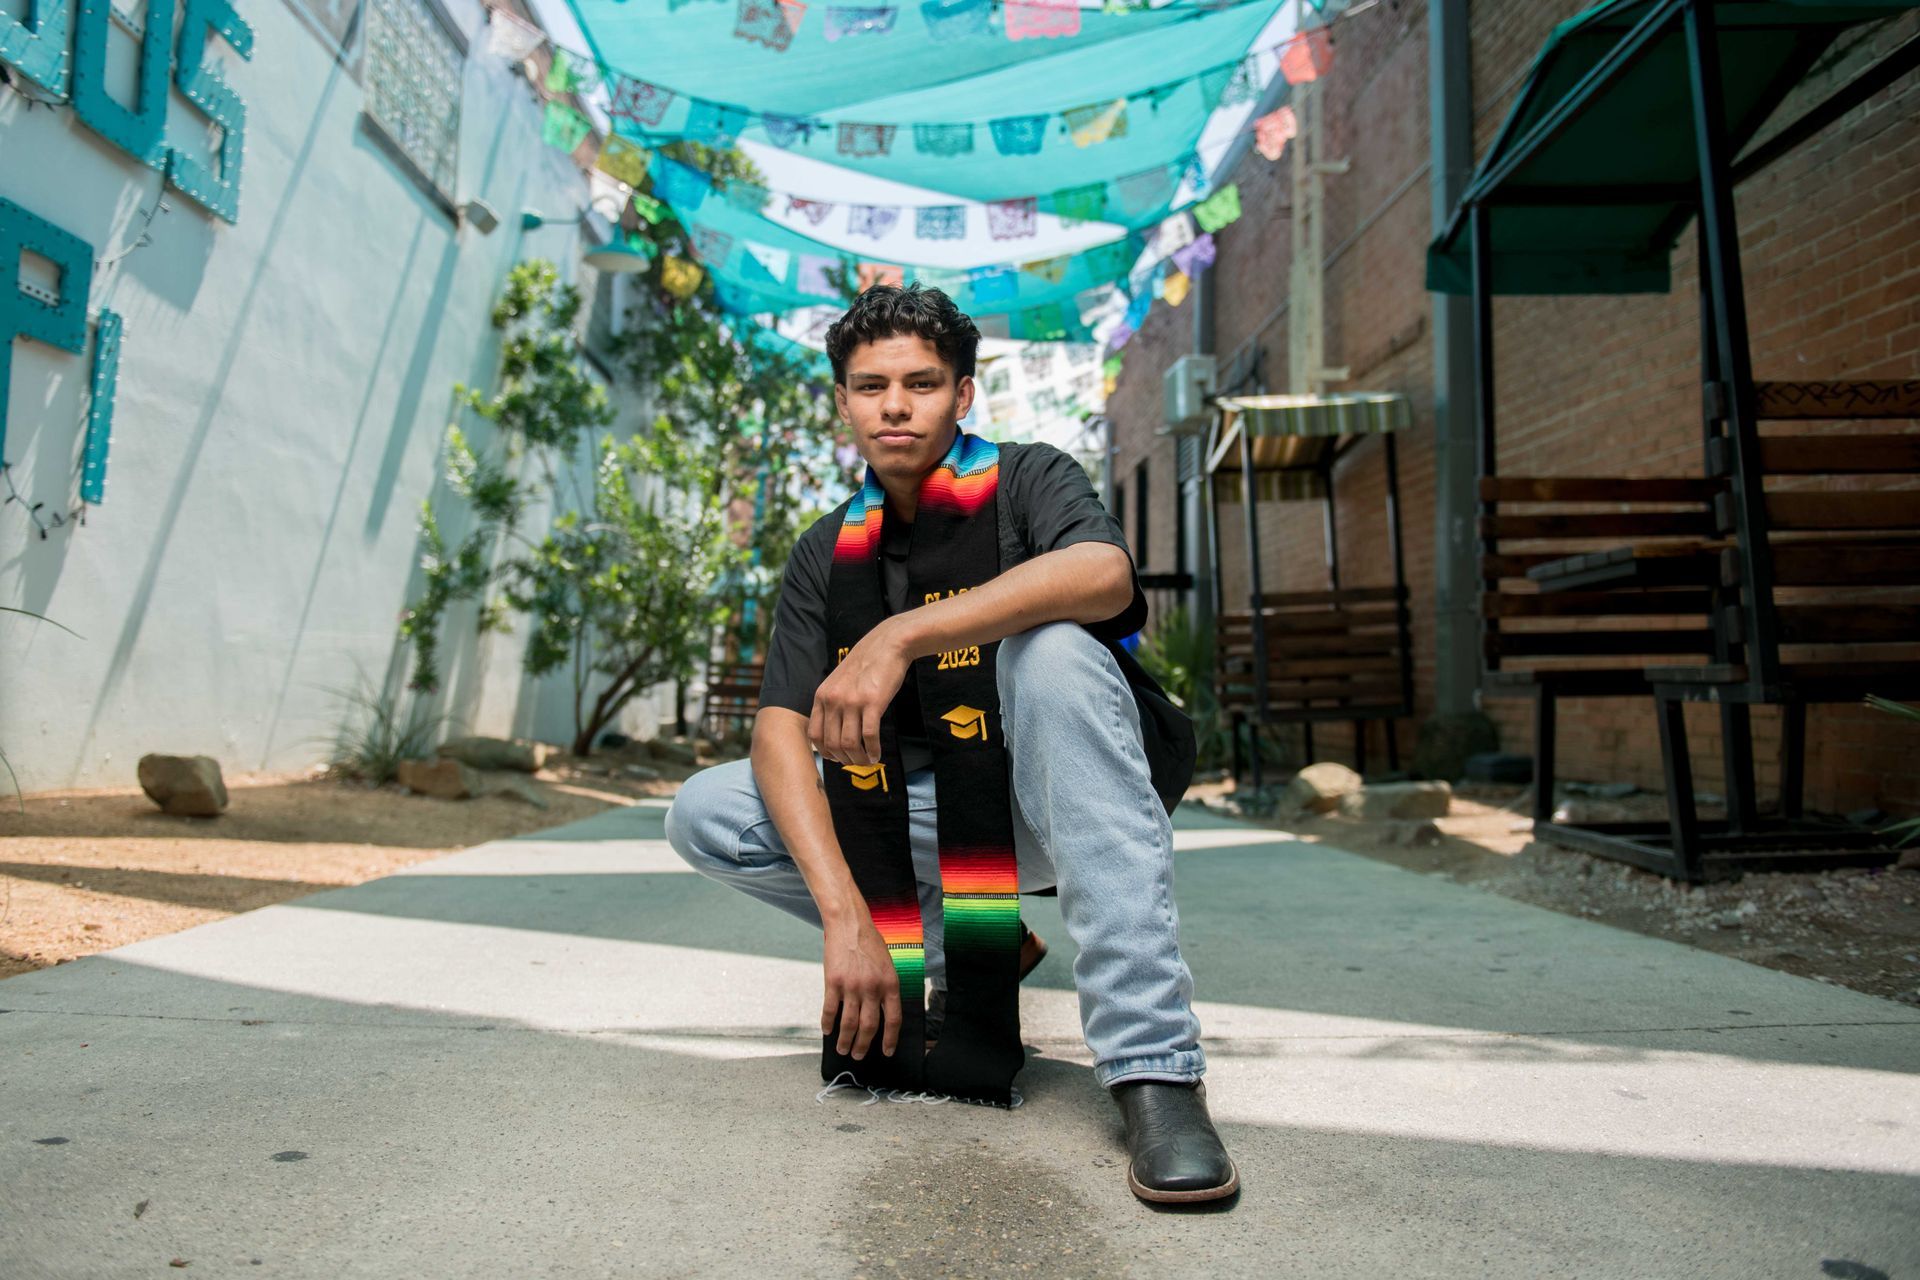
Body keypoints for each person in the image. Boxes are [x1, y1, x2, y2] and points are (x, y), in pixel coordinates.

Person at [666, 284, 1237, 1204]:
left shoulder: (1027, 479)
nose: (894, 406)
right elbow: (779, 726)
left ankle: (1155, 1067)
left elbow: (1102, 574)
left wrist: (899, 637)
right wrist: (848, 916)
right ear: (844, 402)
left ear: (962, 394)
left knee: (1050, 652)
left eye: (921, 383)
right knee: (710, 811)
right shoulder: (826, 549)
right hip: (933, 815)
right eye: (871, 386)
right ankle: (974, 948)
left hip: (1064, 796)